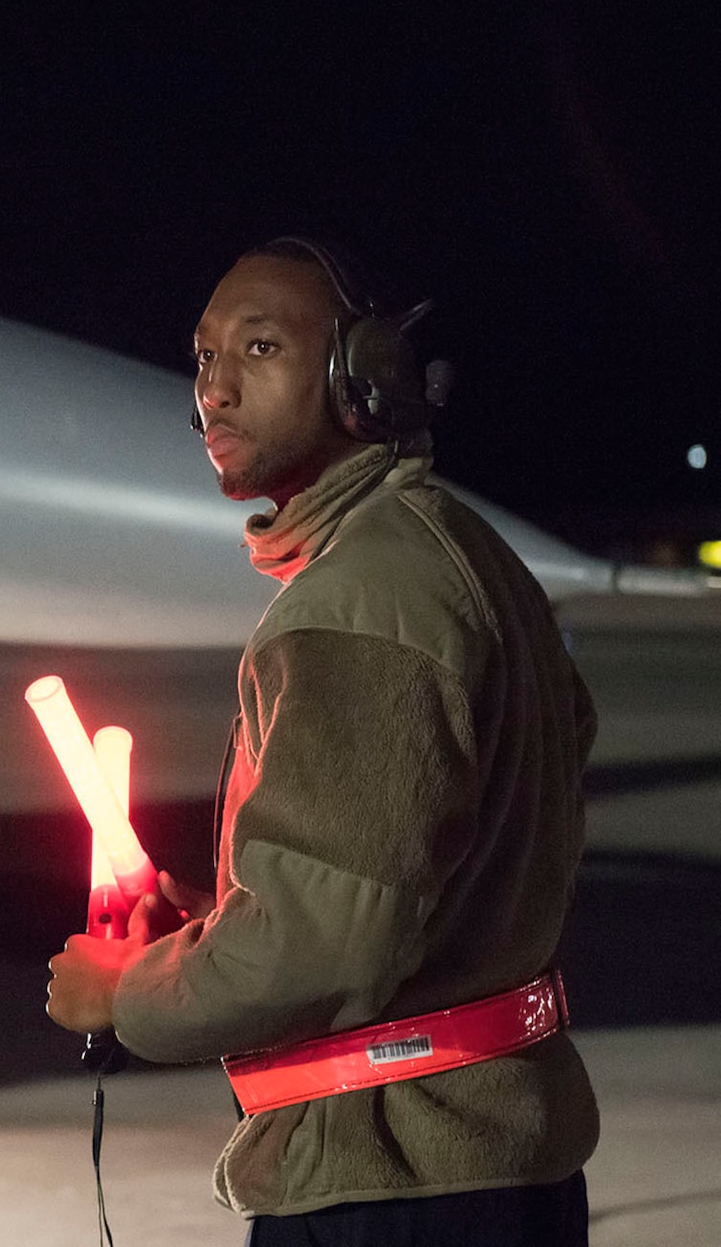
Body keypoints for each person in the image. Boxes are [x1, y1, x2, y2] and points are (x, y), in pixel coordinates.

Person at [45, 238, 597, 1244]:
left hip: (392, 1184)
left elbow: (323, 942)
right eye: (205, 358)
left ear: (364, 377)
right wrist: (216, 925)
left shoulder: (356, 600)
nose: (213, 390)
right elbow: (413, 874)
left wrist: (127, 994)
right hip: (487, 1171)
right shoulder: (462, 556)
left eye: (258, 349)